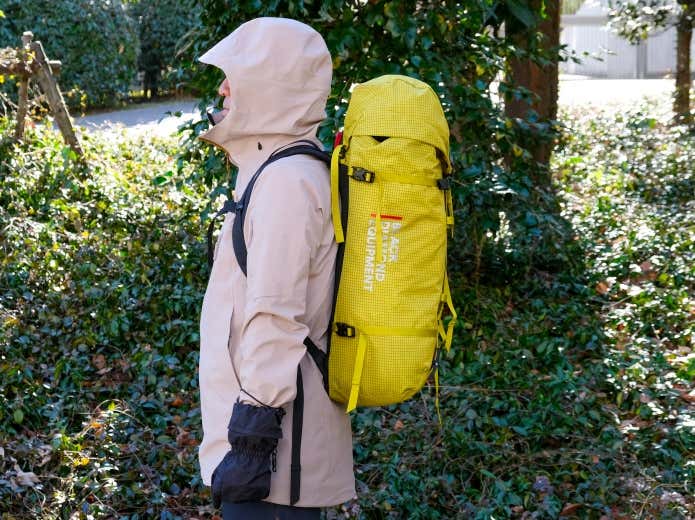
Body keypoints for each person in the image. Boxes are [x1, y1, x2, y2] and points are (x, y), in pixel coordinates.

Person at [196, 17, 356, 519]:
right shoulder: (275, 171)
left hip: (276, 468)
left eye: (234, 76)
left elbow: (276, 317)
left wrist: (249, 446)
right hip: (271, 459)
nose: (222, 89)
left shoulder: (287, 183)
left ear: (271, 86)